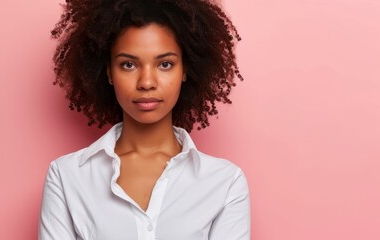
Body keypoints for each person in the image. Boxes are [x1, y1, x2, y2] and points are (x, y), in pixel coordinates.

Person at [39, 0, 249, 239]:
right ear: (108, 71)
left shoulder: (224, 182)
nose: (146, 82)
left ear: (185, 70)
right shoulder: (67, 177)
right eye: (128, 64)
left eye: (165, 64)